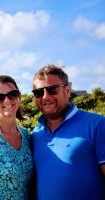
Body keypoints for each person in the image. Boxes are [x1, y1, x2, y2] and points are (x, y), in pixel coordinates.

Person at [31, 64, 105, 200]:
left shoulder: (97, 125)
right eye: (39, 92)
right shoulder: (36, 134)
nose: (45, 96)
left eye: (52, 89)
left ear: (68, 90)